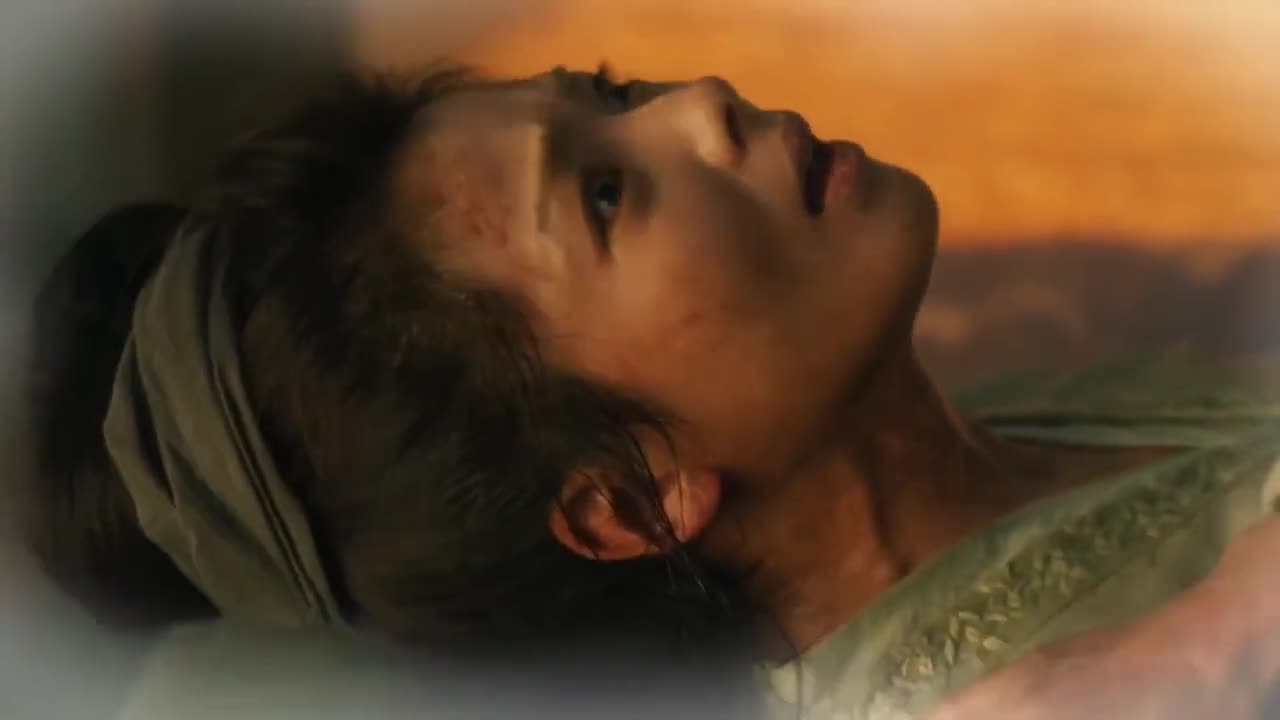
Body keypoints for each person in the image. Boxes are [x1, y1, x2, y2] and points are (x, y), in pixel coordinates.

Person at [23, 65, 1280, 719]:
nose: (701, 105)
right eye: (604, 196)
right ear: (627, 502)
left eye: (613, 95)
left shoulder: (1029, 424)